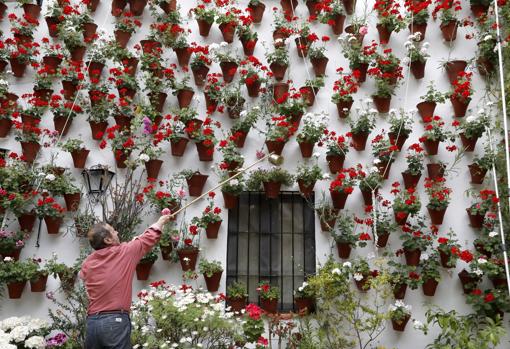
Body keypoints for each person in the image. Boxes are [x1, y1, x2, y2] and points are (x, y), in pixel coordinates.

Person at [80, 214, 172, 349]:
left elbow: (83, 278)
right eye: (113, 231)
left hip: (92, 323)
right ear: (108, 239)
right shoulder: (124, 252)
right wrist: (161, 220)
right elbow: (148, 238)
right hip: (114, 322)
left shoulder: (88, 262)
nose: (116, 232)